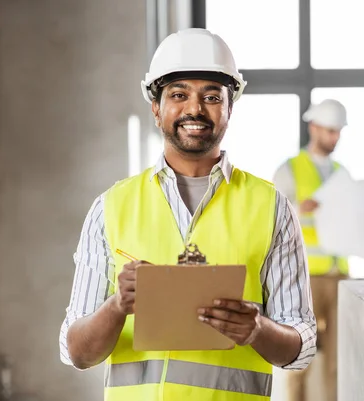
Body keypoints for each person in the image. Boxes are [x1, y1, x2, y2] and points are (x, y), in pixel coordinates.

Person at [58, 28, 316, 401]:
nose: (194, 108)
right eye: (179, 95)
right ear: (156, 107)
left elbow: (299, 348)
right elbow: (78, 353)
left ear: (230, 107)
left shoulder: (271, 207)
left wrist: (257, 329)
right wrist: (117, 306)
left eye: (211, 96)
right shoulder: (111, 208)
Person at [273, 99, 349, 401]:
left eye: (338, 132)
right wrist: (299, 209)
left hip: (339, 274)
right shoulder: (289, 170)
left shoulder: (342, 172)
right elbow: (275, 220)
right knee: (300, 353)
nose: (334, 137)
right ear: (313, 127)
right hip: (304, 276)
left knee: (338, 357)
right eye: (329, 130)